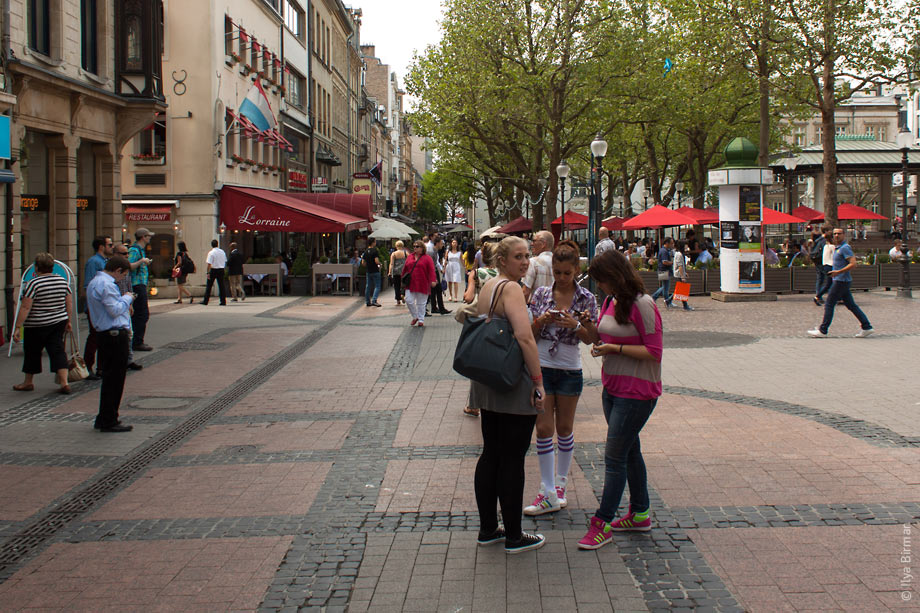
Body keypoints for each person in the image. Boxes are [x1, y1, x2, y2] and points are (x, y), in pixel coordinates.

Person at [578, 250, 663, 549]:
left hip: (637, 392)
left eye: (601, 280)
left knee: (614, 457)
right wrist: (587, 328)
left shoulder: (644, 304)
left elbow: (654, 352)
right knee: (628, 452)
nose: (599, 286)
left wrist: (615, 350)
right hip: (612, 388)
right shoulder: (609, 301)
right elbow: (599, 340)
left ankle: (601, 523)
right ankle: (640, 513)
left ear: (614, 276)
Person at [472, 236, 546, 554]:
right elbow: (525, 338)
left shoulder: (489, 285)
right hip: (511, 380)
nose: (525, 262)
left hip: (487, 377)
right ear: (502, 260)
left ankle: (489, 527)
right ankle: (514, 535)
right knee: (513, 458)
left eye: (527, 255)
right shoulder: (512, 288)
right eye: (518, 256)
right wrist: (538, 381)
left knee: (492, 453)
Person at [524, 240, 598, 516]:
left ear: (576, 270)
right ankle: (547, 490)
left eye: (567, 273)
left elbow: (593, 339)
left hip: (569, 369)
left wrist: (576, 325)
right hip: (542, 368)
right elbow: (529, 333)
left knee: (564, 428)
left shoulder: (586, 298)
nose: (562, 278)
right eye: (557, 272)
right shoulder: (542, 294)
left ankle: (561, 484)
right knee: (543, 429)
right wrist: (543, 320)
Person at [86, 255, 136, 432]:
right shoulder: (107, 285)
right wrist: (128, 298)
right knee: (115, 379)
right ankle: (109, 419)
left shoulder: (95, 282)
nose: (122, 279)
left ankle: (104, 417)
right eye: (123, 275)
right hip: (114, 335)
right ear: (118, 271)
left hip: (105, 334)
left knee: (109, 378)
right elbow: (115, 310)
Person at [12, 253, 74, 394]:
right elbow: (68, 302)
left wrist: (17, 327)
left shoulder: (34, 283)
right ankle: (64, 383)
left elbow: (26, 307)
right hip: (58, 321)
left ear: (37, 267)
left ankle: (28, 382)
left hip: (36, 324)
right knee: (57, 350)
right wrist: (68, 320)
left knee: (32, 352)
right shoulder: (62, 281)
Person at [808, 228, 873, 338]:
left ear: (844, 235)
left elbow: (853, 264)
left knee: (829, 304)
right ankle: (867, 327)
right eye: (835, 234)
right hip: (841, 280)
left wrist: (838, 272)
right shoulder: (838, 248)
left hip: (841, 281)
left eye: (839, 233)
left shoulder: (845, 248)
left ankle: (823, 330)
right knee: (851, 305)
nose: (837, 236)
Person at [460, 241, 499, 417]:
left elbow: (468, 298)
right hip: (504, 322)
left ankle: (474, 405)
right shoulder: (508, 275)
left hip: (482, 323)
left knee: (479, 364)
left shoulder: (477, 273)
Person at [83, 235, 113, 379]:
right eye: (110, 245)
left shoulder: (106, 261)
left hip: (105, 305)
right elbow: (88, 285)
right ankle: (87, 367)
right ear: (101, 247)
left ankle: (102, 367)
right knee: (94, 336)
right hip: (95, 306)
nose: (111, 247)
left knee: (104, 337)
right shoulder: (93, 262)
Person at [111, 244, 143, 372]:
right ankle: (110, 364)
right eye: (124, 254)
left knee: (129, 334)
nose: (127, 256)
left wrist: (130, 303)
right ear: (116, 254)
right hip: (116, 305)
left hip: (125, 304)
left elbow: (129, 286)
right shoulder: (112, 268)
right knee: (119, 336)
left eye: (127, 254)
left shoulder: (126, 268)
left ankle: (128, 360)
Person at [127, 228, 154, 351]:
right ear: (143, 237)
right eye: (148, 236)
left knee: (141, 314)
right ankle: (136, 341)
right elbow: (129, 266)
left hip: (140, 284)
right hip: (136, 284)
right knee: (141, 314)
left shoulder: (140, 250)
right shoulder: (134, 250)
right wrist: (142, 261)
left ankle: (137, 340)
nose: (149, 238)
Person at [402, 240, 437, 327]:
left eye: (417, 246)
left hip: (423, 283)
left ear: (422, 248)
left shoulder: (427, 258)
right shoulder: (410, 257)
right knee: (408, 300)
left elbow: (432, 270)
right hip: (411, 283)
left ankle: (421, 319)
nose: (415, 248)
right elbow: (405, 269)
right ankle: (415, 316)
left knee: (421, 303)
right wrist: (402, 279)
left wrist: (433, 280)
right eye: (414, 246)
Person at [522, 230, 554, 302]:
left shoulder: (533, 262)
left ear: (543, 244)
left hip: (536, 309)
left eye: (534, 241)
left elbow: (525, 292)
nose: (532, 244)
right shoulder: (558, 262)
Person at [427, 237, 450, 314]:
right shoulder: (431, 251)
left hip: (434, 271)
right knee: (438, 290)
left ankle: (434, 307)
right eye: (441, 243)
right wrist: (433, 276)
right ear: (437, 243)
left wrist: (440, 269)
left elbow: (436, 262)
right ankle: (441, 308)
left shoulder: (435, 251)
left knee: (434, 291)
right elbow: (430, 264)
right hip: (432, 272)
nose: (442, 245)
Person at [202, 240, 228, 306]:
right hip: (221, 269)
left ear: (211, 245)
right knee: (221, 286)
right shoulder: (222, 252)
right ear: (217, 244)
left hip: (213, 270)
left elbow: (209, 264)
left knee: (209, 286)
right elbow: (225, 261)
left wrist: (208, 272)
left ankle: (206, 301)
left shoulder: (211, 253)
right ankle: (223, 301)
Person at [670, 240, 694, 311]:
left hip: (679, 273)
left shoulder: (678, 253)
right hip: (679, 274)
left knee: (679, 290)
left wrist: (684, 272)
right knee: (682, 290)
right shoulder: (679, 254)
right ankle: (685, 306)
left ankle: (668, 300)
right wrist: (683, 276)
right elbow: (680, 266)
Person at [650, 237, 674, 308]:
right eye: (671, 243)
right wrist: (672, 263)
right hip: (664, 270)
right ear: (667, 243)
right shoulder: (664, 251)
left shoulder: (664, 250)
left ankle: (667, 301)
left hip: (662, 270)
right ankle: (655, 297)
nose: (672, 245)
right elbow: (664, 262)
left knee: (665, 287)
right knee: (665, 287)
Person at [815, 225, 834, 305]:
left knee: (821, 280)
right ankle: (819, 296)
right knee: (829, 283)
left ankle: (819, 295)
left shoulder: (819, 240)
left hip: (820, 262)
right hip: (829, 265)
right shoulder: (828, 244)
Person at [363, 237, 382, 307]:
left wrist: (368, 265)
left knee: (368, 286)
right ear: (373, 242)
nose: (375, 242)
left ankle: (367, 301)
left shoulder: (365, 251)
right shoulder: (375, 251)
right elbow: (376, 261)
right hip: (375, 270)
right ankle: (374, 300)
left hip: (368, 271)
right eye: (375, 241)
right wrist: (380, 264)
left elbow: (363, 263)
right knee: (377, 286)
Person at [389, 240, 408, 305]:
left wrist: (389, 272)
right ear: (402, 246)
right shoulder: (406, 253)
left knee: (396, 286)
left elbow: (391, 264)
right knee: (404, 284)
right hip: (404, 272)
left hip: (396, 272)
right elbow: (410, 262)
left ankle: (398, 300)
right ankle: (402, 294)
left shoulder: (394, 254)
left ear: (396, 246)